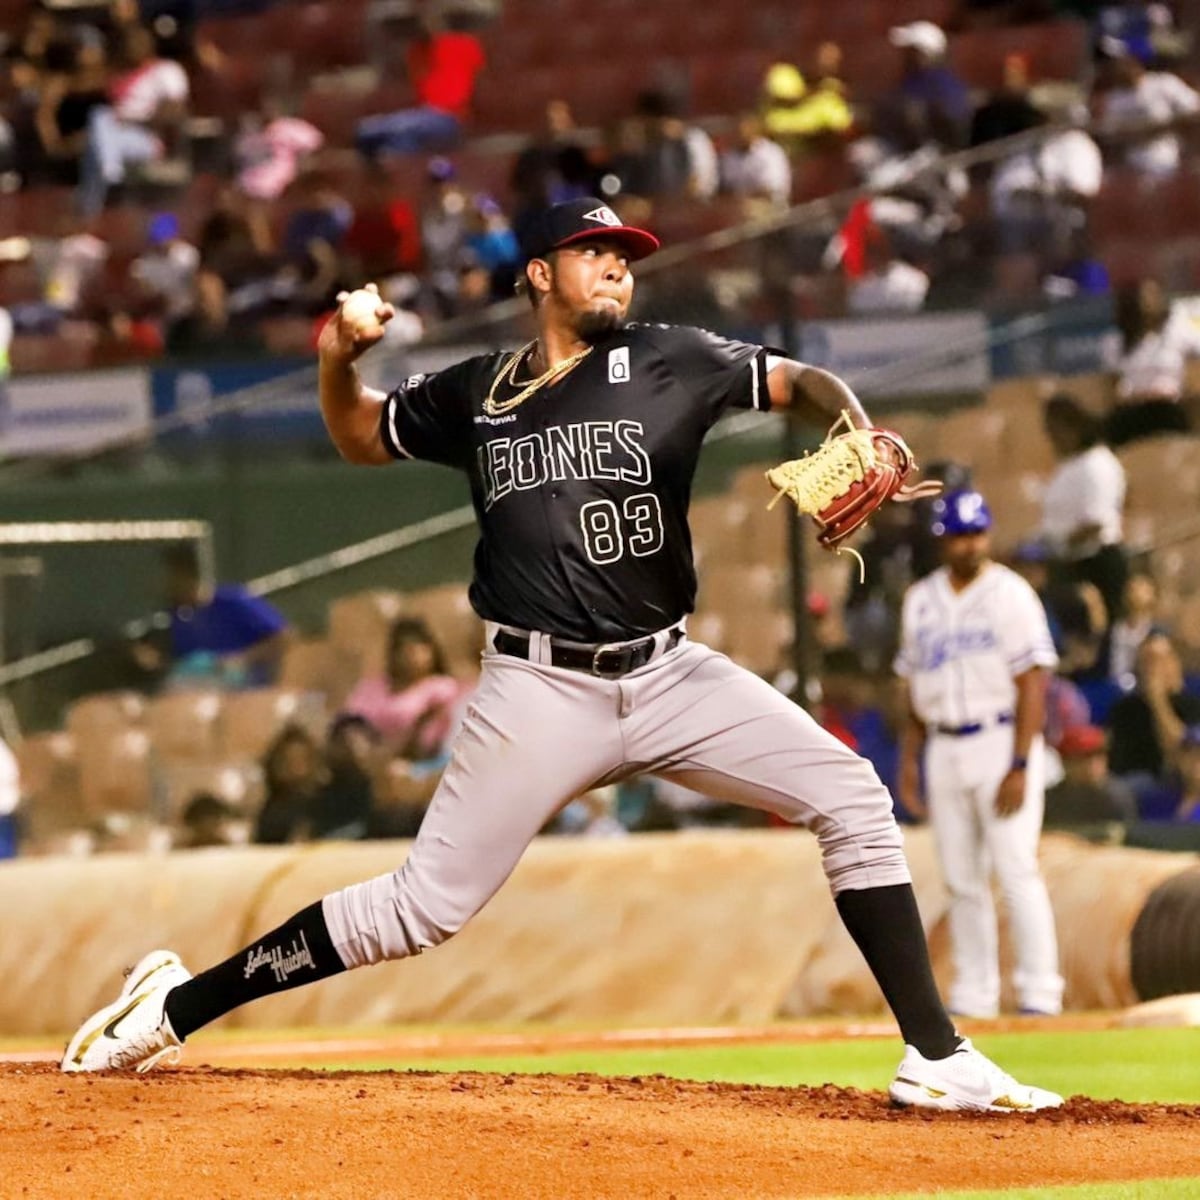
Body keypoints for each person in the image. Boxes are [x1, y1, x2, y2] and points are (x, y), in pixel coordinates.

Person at [61, 196, 1062, 1113]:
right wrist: (336, 359)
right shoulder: (475, 393)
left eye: (627, 257)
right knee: (420, 909)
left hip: (671, 673)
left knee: (851, 796)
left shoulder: (672, 358)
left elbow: (798, 381)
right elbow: (362, 437)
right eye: (596, 253)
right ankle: (173, 1008)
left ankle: (934, 1055)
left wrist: (856, 430)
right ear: (539, 273)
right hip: (538, 686)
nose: (620, 269)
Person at [896, 489, 1065, 1019]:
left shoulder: (1010, 594)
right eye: (960, 535)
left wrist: (1019, 763)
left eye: (978, 533)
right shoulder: (920, 599)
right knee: (960, 877)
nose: (970, 544)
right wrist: (909, 759)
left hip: (1000, 739)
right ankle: (976, 993)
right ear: (942, 540)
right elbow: (911, 685)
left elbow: (1033, 683)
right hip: (943, 744)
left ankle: (1040, 992)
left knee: (1016, 868)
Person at [131, 541, 292, 689]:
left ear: (188, 575)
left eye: (172, 575)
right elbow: (184, 663)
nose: (166, 583)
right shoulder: (175, 616)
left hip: (245, 687)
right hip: (196, 689)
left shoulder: (232, 601)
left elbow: (284, 638)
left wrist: (241, 659)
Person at [1039, 393, 1128, 626]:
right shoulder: (1068, 466)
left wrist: (1057, 544)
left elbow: (1095, 523)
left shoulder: (1098, 464)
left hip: (1095, 564)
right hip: (1069, 563)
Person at [342, 617, 462, 762]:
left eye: (416, 649)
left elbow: (431, 742)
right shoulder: (371, 687)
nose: (410, 657)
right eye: (402, 649)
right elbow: (349, 723)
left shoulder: (442, 689)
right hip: (366, 760)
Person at [1103, 278, 1200, 445]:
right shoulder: (1115, 342)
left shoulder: (1177, 331)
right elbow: (1113, 387)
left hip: (1169, 408)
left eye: (1152, 296)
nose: (1147, 302)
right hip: (1133, 409)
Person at [1043, 725, 1136, 828]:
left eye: (1099, 755)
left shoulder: (1117, 796)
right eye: (1084, 757)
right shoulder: (1050, 800)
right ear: (1065, 762)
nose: (1094, 764)